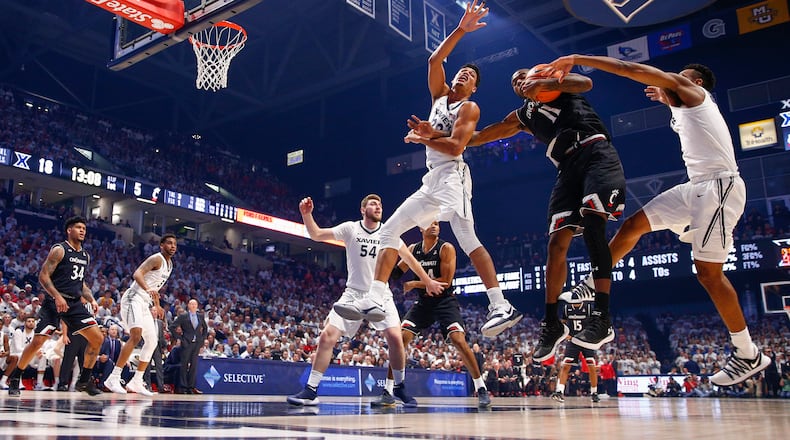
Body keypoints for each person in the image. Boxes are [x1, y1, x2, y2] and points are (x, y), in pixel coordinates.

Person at [546, 55, 770, 385]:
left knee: (708, 274)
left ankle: (747, 352)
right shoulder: (684, 108)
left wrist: (578, 59)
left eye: (679, 77)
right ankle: (591, 287)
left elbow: (628, 69)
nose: (670, 80)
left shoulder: (695, 94)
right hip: (696, 187)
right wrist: (667, 100)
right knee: (633, 225)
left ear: (696, 83)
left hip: (719, 186)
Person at [414, 57, 627, 362]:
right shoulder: (523, 115)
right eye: (515, 81)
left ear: (538, 76)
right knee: (555, 244)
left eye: (524, 75)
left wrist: (548, 82)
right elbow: (476, 138)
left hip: (595, 153)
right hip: (566, 167)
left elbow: (586, 83)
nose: (520, 81)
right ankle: (552, 324)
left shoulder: (561, 90)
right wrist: (433, 135)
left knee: (594, 224)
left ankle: (602, 317)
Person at [335, 0, 521, 338]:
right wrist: (461, 30)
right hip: (431, 179)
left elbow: (454, 147)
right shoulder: (439, 96)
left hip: (453, 175)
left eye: (473, 76)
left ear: (475, 87)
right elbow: (434, 59)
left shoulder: (470, 108)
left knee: (466, 238)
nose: (466, 74)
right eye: (463, 71)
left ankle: (500, 304)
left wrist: (427, 137)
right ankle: (375, 296)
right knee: (389, 231)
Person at [287, 195, 446, 407]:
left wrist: (427, 281)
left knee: (395, 337)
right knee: (327, 336)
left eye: (380, 204)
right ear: (363, 209)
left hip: (380, 294)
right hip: (354, 293)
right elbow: (316, 235)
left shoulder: (389, 232)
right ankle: (310, 390)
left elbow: (410, 259)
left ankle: (399, 387)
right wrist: (306, 215)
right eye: (373, 204)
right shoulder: (350, 228)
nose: (378, 206)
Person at [372, 221, 491, 408]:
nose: (435, 226)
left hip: (445, 301)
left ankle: (481, 388)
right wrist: (379, 265)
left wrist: (414, 284)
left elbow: (445, 280)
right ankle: (388, 390)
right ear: (420, 228)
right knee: (400, 338)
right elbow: (396, 272)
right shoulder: (413, 248)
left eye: (437, 223)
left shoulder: (446, 248)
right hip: (423, 304)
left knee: (458, 340)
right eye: (431, 223)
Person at [6, 216, 104, 396]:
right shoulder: (60, 250)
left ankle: (84, 381)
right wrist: (57, 296)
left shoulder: (84, 255)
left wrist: (91, 299)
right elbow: (43, 276)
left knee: (97, 338)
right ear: (69, 230)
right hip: (54, 302)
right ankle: (15, 376)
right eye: (78, 227)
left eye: (84, 228)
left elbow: (81, 284)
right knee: (38, 342)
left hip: (74, 303)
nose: (82, 230)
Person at [104, 234, 175, 396]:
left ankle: (136, 381)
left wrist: (157, 305)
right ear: (161, 246)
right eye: (169, 243)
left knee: (152, 341)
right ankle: (113, 377)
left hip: (145, 303)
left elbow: (155, 288)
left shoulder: (170, 265)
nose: (173, 246)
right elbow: (137, 274)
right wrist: (147, 289)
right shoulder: (156, 259)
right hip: (133, 298)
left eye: (174, 244)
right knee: (135, 336)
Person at [550, 300, 599, 403]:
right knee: (565, 366)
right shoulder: (567, 308)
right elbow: (562, 323)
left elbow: (595, 323)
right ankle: (559, 391)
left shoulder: (589, 307)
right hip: (573, 340)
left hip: (586, 340)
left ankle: (594, 393)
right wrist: (564, 334)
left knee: (591, 366)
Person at [169, 298, 207, 394]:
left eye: (195, 304)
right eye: (191, 304)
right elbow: (172, 327)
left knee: (194, 365)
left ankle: (191, 387)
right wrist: (180, 338)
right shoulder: (183, 316)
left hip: (196, 343)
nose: (193, 306)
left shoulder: (200, 316)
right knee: (184, 365)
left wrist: (202, 339)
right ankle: (183, 387)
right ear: (188, 306)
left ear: (197, 306)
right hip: (186, 342)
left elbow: (205, 328)